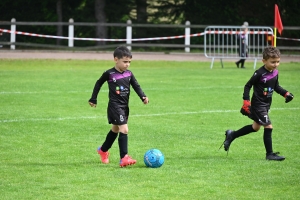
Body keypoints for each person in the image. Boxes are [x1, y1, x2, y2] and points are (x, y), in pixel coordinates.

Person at [221, 46, 294, 161]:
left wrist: (286, 94)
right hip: (258, 105)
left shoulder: (275, 73)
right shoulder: (259, 73)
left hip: (266, 104)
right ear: (264, 61)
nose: (275, 64)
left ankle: (232, 135)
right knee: (268, 126)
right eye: (273, 62)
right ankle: (269, 154)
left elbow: (276, 86)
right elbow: (247, 86)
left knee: (255, 127)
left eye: (278, 62)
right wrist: (246, 100)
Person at [88, 46, 149, 167]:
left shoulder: (129, 74)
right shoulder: (109, 74)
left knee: (115, 129)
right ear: (116, 59)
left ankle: (103, 150)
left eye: (129, 62)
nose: (127, 65)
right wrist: (93, 98)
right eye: (125, 62)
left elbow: (136, 86)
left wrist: (143, 96)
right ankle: (124, 157)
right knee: (124, 129)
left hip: (124, 106)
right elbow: (99, 83)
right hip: (115, 106)